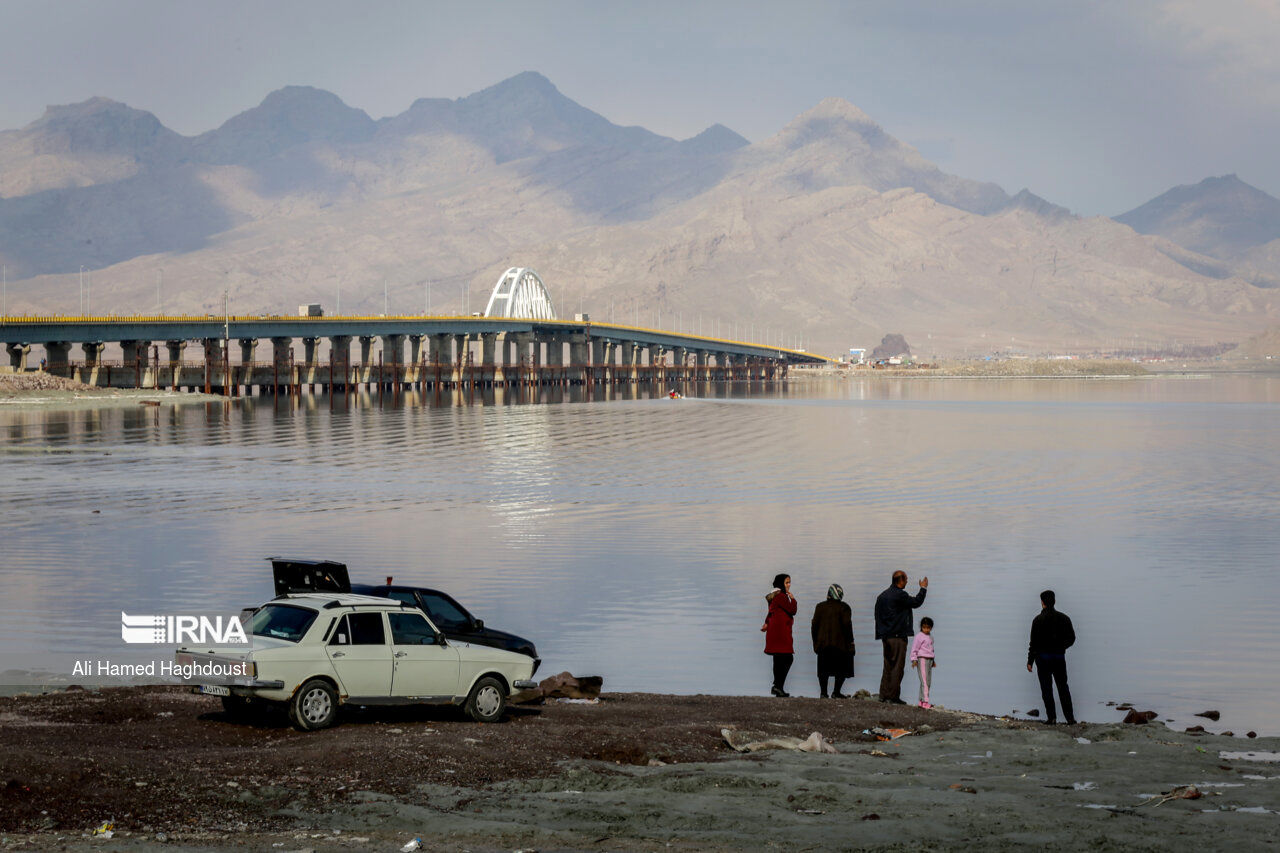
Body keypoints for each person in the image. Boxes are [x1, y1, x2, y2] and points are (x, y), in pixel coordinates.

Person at [874, 570, 928, 704]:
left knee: (888, 666)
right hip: (897, 637)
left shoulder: (882, 596)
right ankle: (893, 697)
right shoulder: (900, 595)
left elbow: (876, 616)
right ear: (901, 581)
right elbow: (916, 602)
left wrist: (882, 633)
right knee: (897, 667)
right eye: (906, 579)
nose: (907, 582)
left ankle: (883, 695)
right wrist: (923, 588)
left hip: (886, 637)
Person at [1027, 589, 1076, 724]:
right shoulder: (1064, 618)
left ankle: (1052, 718)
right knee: (1063, 688)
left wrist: (1030, 661)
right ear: (1054, 601)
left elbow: (1033, 643)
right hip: (1059, 658)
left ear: (1042, 603)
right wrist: (1061, 647)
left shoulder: (1037, 620)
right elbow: (1072, 638)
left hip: (1042, 659)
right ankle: (1070, 719)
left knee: (1046, 689)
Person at [811, 584, 854, 698]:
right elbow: (847, 626)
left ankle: (823, 693)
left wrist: (815, 642)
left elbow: (814, 625)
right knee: (841, 669)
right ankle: (836, 692)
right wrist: (851, 643)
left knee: (823, 670)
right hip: (840, 645)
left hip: (823, 645)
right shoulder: (844, 607)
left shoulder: (820, 607)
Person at [762, 573, 797, 697]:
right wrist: (793, 599)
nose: (789, 585)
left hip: (774, 632)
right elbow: (793, 610)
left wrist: (766, 623)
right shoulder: (781, 597)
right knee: (787, 658)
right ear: (781, 583)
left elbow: (771, 612)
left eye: (789, 582)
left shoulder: (774, 596)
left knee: (778, 660)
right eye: (786, 582)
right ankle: (778, 686)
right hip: (780, 633)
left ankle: (777, 687)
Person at [910, 616, 936, 709]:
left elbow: (931, 649)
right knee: (924, 681)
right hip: (922, 659)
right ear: (921, 627)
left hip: (929, 660)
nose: (926, 629)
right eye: (924, 627)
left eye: (928, 627)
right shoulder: (919, 637)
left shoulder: (930, 637)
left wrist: (933, 661)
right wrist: (914, 660)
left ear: (931, 628)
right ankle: (925, 702)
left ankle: (921, 701)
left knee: (928, 681)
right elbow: (914, 649)